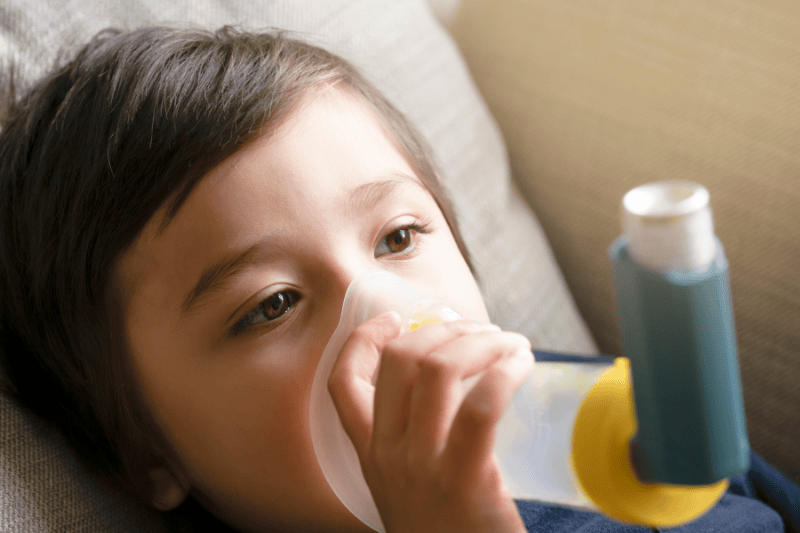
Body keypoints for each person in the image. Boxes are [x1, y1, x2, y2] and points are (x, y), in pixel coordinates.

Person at [0, 26, 794, 533]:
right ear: (144, 455)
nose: (386, 316)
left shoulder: (611, 405)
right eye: (272, 304)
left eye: (399, 235)